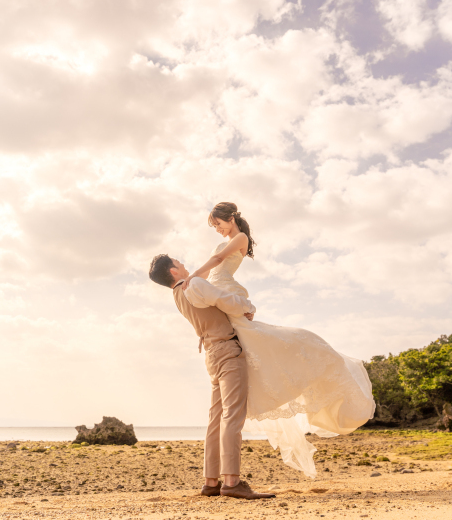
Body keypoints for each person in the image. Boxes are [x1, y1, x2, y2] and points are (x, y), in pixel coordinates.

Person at [182, 202, 376, 479]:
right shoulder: (231, 238)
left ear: (232, 217)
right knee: (249, 341)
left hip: (223, 287)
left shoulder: (239, 237)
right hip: (218, 288)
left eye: (218, 223)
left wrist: (191, 277)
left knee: (260, 339)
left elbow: (216, 263)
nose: (217, 229)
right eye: (214, 226)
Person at [149, 254, 275, 500]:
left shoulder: (178, 294)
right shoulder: (193, 285)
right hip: (227, 350)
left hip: (211, 354)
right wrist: (249, 307)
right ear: (174, 271)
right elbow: (225, 300)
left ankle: (210, 482)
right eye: (179, 262)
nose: (184, 264)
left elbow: (207, 286)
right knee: (233, 415)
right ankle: (231, 482)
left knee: (216, 418)